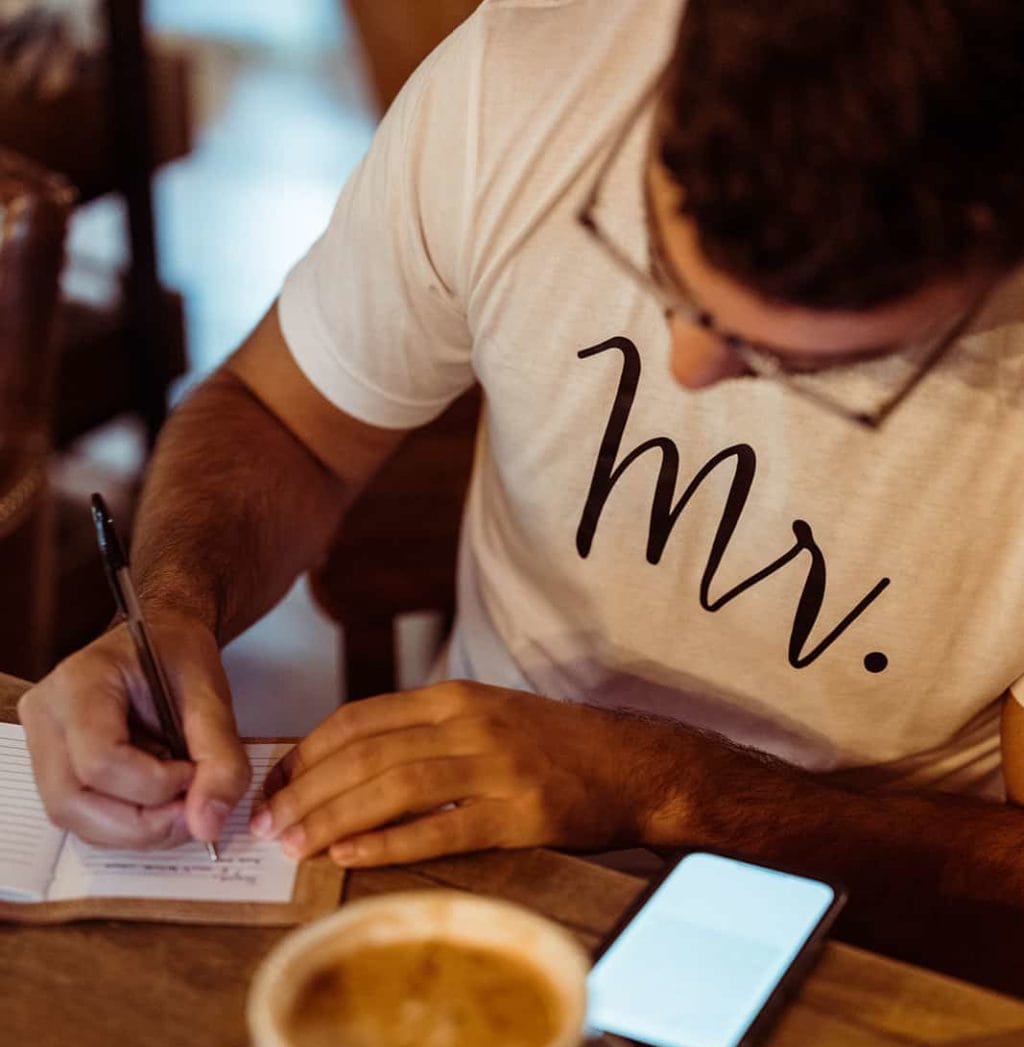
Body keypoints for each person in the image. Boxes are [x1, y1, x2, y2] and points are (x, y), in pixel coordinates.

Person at [19, 0, 1024, 986]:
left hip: (869, 963)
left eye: (780, 357)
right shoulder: (543, 65)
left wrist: (667, 790)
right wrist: (174, 610)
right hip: (459, 881)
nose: (681, 362)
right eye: (658, 268)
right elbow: (283, 421)